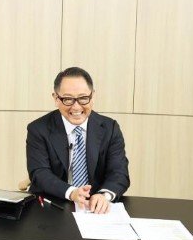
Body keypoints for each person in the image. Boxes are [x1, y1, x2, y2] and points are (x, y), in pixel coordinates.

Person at [26, 67, 130, 213]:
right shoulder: (38, 129)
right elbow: (39, 173)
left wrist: (104, 195)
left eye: (83, 98)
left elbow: (119, 172)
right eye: (68, 99)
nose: (76, 107)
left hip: (94, 208)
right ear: (56, 99)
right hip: (53, 204)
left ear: (92, 96)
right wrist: (72, 192)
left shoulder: (110, 128)